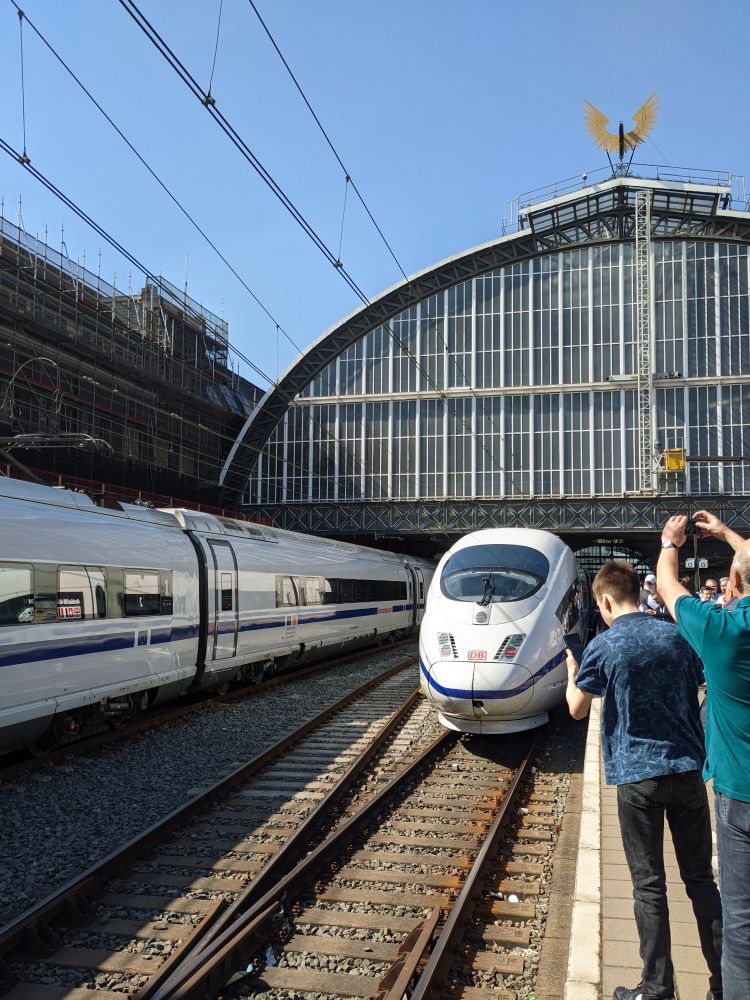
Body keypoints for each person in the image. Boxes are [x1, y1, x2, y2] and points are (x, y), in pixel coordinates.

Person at [566, 560, 722, 1000]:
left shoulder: (605, 645)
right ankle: (724, 983)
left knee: (649, 886)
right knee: (700, 881)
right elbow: (702, 683)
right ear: (639, 592)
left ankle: (657, 989)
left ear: (604, 601)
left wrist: (571, 671)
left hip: (637, 781)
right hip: (688, 773)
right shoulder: (677, 635)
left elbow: (577, 708)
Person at [658, 511, 750, 999]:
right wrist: (730, 537)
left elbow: (670, 586)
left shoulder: (723, 633)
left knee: (740, 924)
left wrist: (672, 541)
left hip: (740, 797)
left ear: (733, 579)